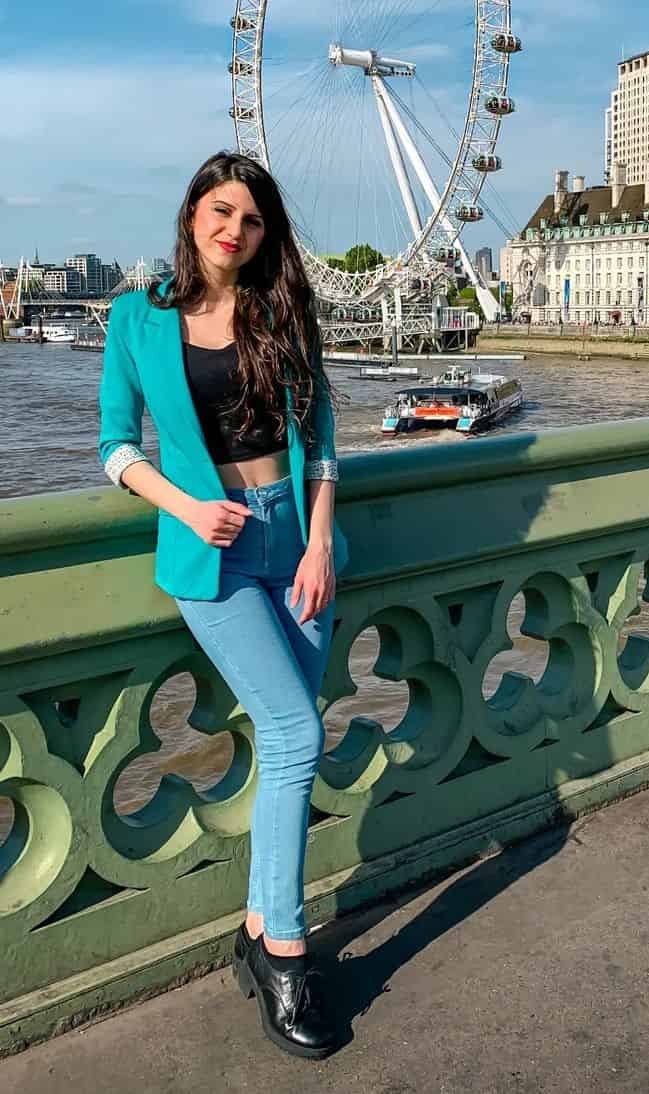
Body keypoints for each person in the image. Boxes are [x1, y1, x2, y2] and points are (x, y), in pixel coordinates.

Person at [98, 152, 349, 1060]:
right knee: (294, 737)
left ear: (263, 234)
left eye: (249, 218)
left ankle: (257, 927)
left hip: (297, 544)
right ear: (192, 215)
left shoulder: (282, 309)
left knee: (295, 738)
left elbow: (320, 438)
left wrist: (319, 540)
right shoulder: (136, 319)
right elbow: (113, 445)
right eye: (219, 210)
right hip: (211, 552)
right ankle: (285, 955)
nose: (232, 229)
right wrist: (186, 505)